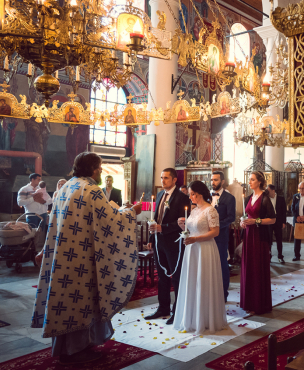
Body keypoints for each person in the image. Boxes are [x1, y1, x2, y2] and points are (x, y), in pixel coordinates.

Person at [32, 152, 143, 365]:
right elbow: (111, 221)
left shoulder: (66, 187)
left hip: (63, 258)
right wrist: (132, 213)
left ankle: (65, 348)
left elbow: (53, 224)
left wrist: (46, 251)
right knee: (81, 303)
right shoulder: (91, 190)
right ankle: (78, 350)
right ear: (92, 169)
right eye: (100, 168)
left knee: (65, 301)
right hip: (83, 260)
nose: (101, 172)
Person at [173, 181, 227, 333]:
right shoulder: (194, 210)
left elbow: (215, 232)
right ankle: (192, 318)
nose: (190, 197)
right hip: (192, 249)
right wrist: (183, 227)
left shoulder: (210, 210)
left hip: (205, 249)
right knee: (192, 281)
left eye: (192, 194)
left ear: (199, 194)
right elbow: (192, 229)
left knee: (203, 281)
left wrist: (196, 239)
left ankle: (206, 318)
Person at [144, 168, 191, 324]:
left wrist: (162, 228)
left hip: (174, 243)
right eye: (161, 177)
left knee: (176, 277)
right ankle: (163, 307)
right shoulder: (159, 195)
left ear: (174, 180)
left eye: (165, 178)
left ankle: (177, 310)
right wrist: (151, 236)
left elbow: (182, 223)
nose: (162, 181)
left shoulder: (182, 198)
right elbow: (155, 218)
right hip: (159, 242)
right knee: (162, 277)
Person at [240, 171, 276, 314]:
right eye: (249, 179)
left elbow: (273, 219)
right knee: (248, 267)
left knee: (256, 268)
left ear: (260, 182)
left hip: (259, 237)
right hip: (249, 235)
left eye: (252, 180)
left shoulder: (265, 198)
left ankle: (258, 304)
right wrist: (243, 222)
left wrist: (256, 221)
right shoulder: (249, 197)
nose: (250, 182)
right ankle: (247, 302)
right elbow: (246, 215)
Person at [210, 171, 236, 300]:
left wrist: (217, 226)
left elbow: (231, 217)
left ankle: (223, 293)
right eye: (212, 180)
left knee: (221, 264)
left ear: (222, 181)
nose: (213, 182)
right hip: (207, 236)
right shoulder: (207, 196)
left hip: (221, 237)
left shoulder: (229, 198)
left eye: (215, 180)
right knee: (208, 264)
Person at [291, 181, 304, 261]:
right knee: (297, 239)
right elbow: (292, 208)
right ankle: (297, 255)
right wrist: (297, 217)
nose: (301, 190)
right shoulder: (295, 196)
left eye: (303, 188)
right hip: (298, 220)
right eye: (300, 188)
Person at [267, 184, 286, 265]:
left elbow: (283, 212)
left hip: (278, 221)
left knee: (279, 239)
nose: (267, 192)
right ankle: (269, 256)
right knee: (269, 240)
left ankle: (280, 256)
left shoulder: (281, 199)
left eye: (268, 191)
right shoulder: (266, 198)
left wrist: (283, 222)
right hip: (269, 221)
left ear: (273, 191)